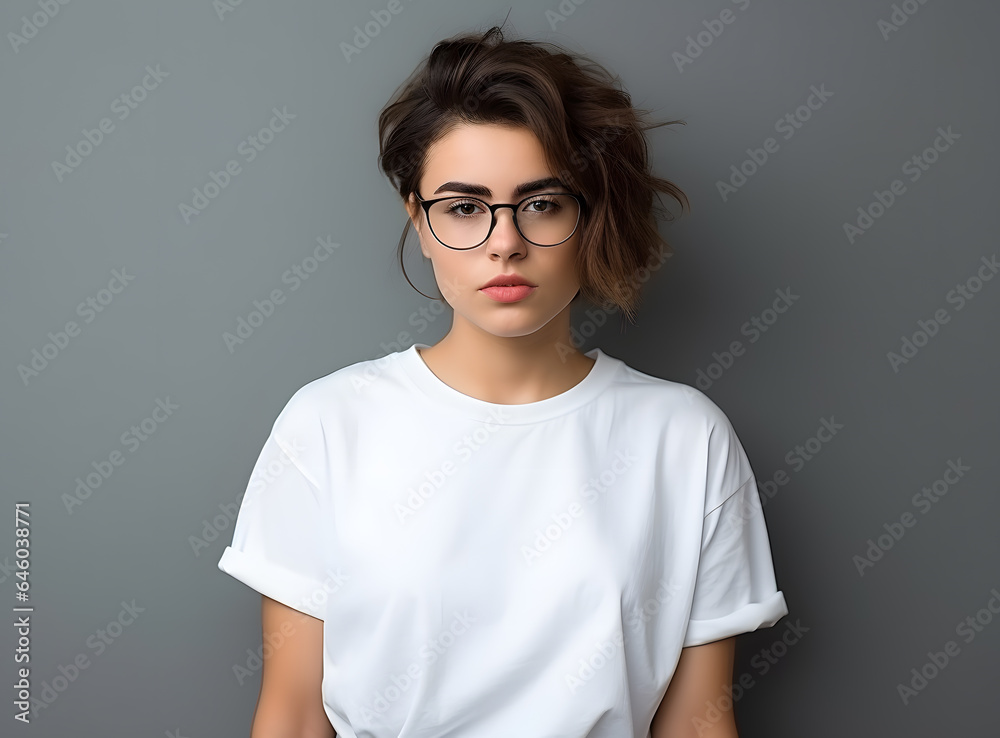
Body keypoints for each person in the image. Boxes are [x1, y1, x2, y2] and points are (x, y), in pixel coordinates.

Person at [218, 22, 788, 738]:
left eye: (542, 203)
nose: (505, 241)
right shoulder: (328, 425)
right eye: (463, 208)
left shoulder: (683, 438)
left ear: (590, 216)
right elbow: (294, 718)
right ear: (419, 224)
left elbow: (699, 726)